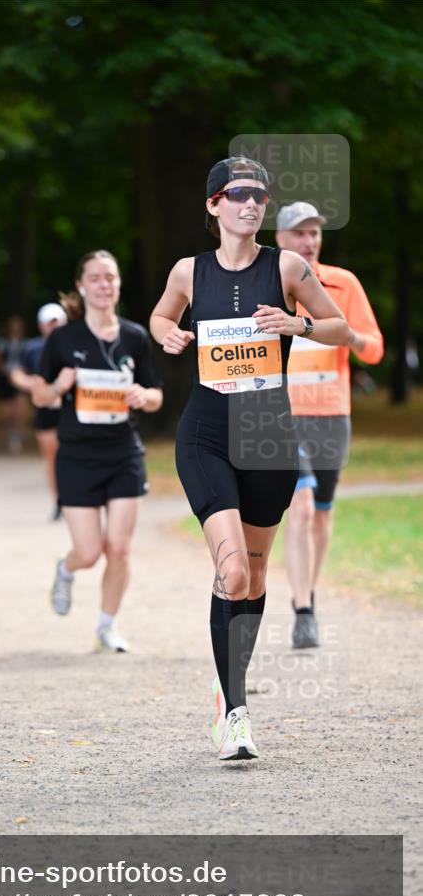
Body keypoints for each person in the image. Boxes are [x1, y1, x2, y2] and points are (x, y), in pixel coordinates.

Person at [150, 157, 354, 761]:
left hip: (268, 436)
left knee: (259, 578)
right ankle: (233, 710)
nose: (251, 204)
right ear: (213, 204)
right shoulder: (189, 271)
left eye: (259, 196)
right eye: (239, 194)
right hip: (206, 433)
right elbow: (163, 313)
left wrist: (295, 322)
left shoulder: (286, 266)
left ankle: (229, 681)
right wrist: (166, 332)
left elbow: (341, 330)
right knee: (233, 572)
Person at [33, 250, 163, 652]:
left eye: (110, 277)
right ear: (81, 285)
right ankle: (66, 568)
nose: (104, 285)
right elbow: (39, 395)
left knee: (119, 547)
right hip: (77, 455)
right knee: (89, 552)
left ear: (118, 284)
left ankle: (107, 626)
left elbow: (158, 395)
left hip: (124, 451)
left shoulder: (135, 337)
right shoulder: (63, 339)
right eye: (95, 278)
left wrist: (145, 396)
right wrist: (59, 386)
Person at [276, 203, 384, 648]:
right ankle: (302, 609)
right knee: (299, 507)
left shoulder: (343, 283)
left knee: (321, 514)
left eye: (315, 232)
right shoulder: (268, 283)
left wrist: (345, 335)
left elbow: (374, 350)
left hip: (331, 415)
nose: (309, 240)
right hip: (282, 416)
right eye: (299, 233)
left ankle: (310, 593)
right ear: (280, 238)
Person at [10, 302, 67, 519]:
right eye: (50, 322)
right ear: (42, 325)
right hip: (45, 408)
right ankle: (59, 500)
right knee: (51, 457)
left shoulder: (74, 344)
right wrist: (30, 384)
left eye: (57, 322)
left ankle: (75, 497)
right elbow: (16, 373)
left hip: (70, 409)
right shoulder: (33, 348)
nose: (54, 326)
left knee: (72, 454)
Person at [0, 315, 29, 452]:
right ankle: (4, 435)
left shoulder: (26, 343)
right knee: (6, 413)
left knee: (19, 411)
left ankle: (16, 437)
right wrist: (6, 371)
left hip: (21, 379)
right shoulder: (2, 342)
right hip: (5, 380)